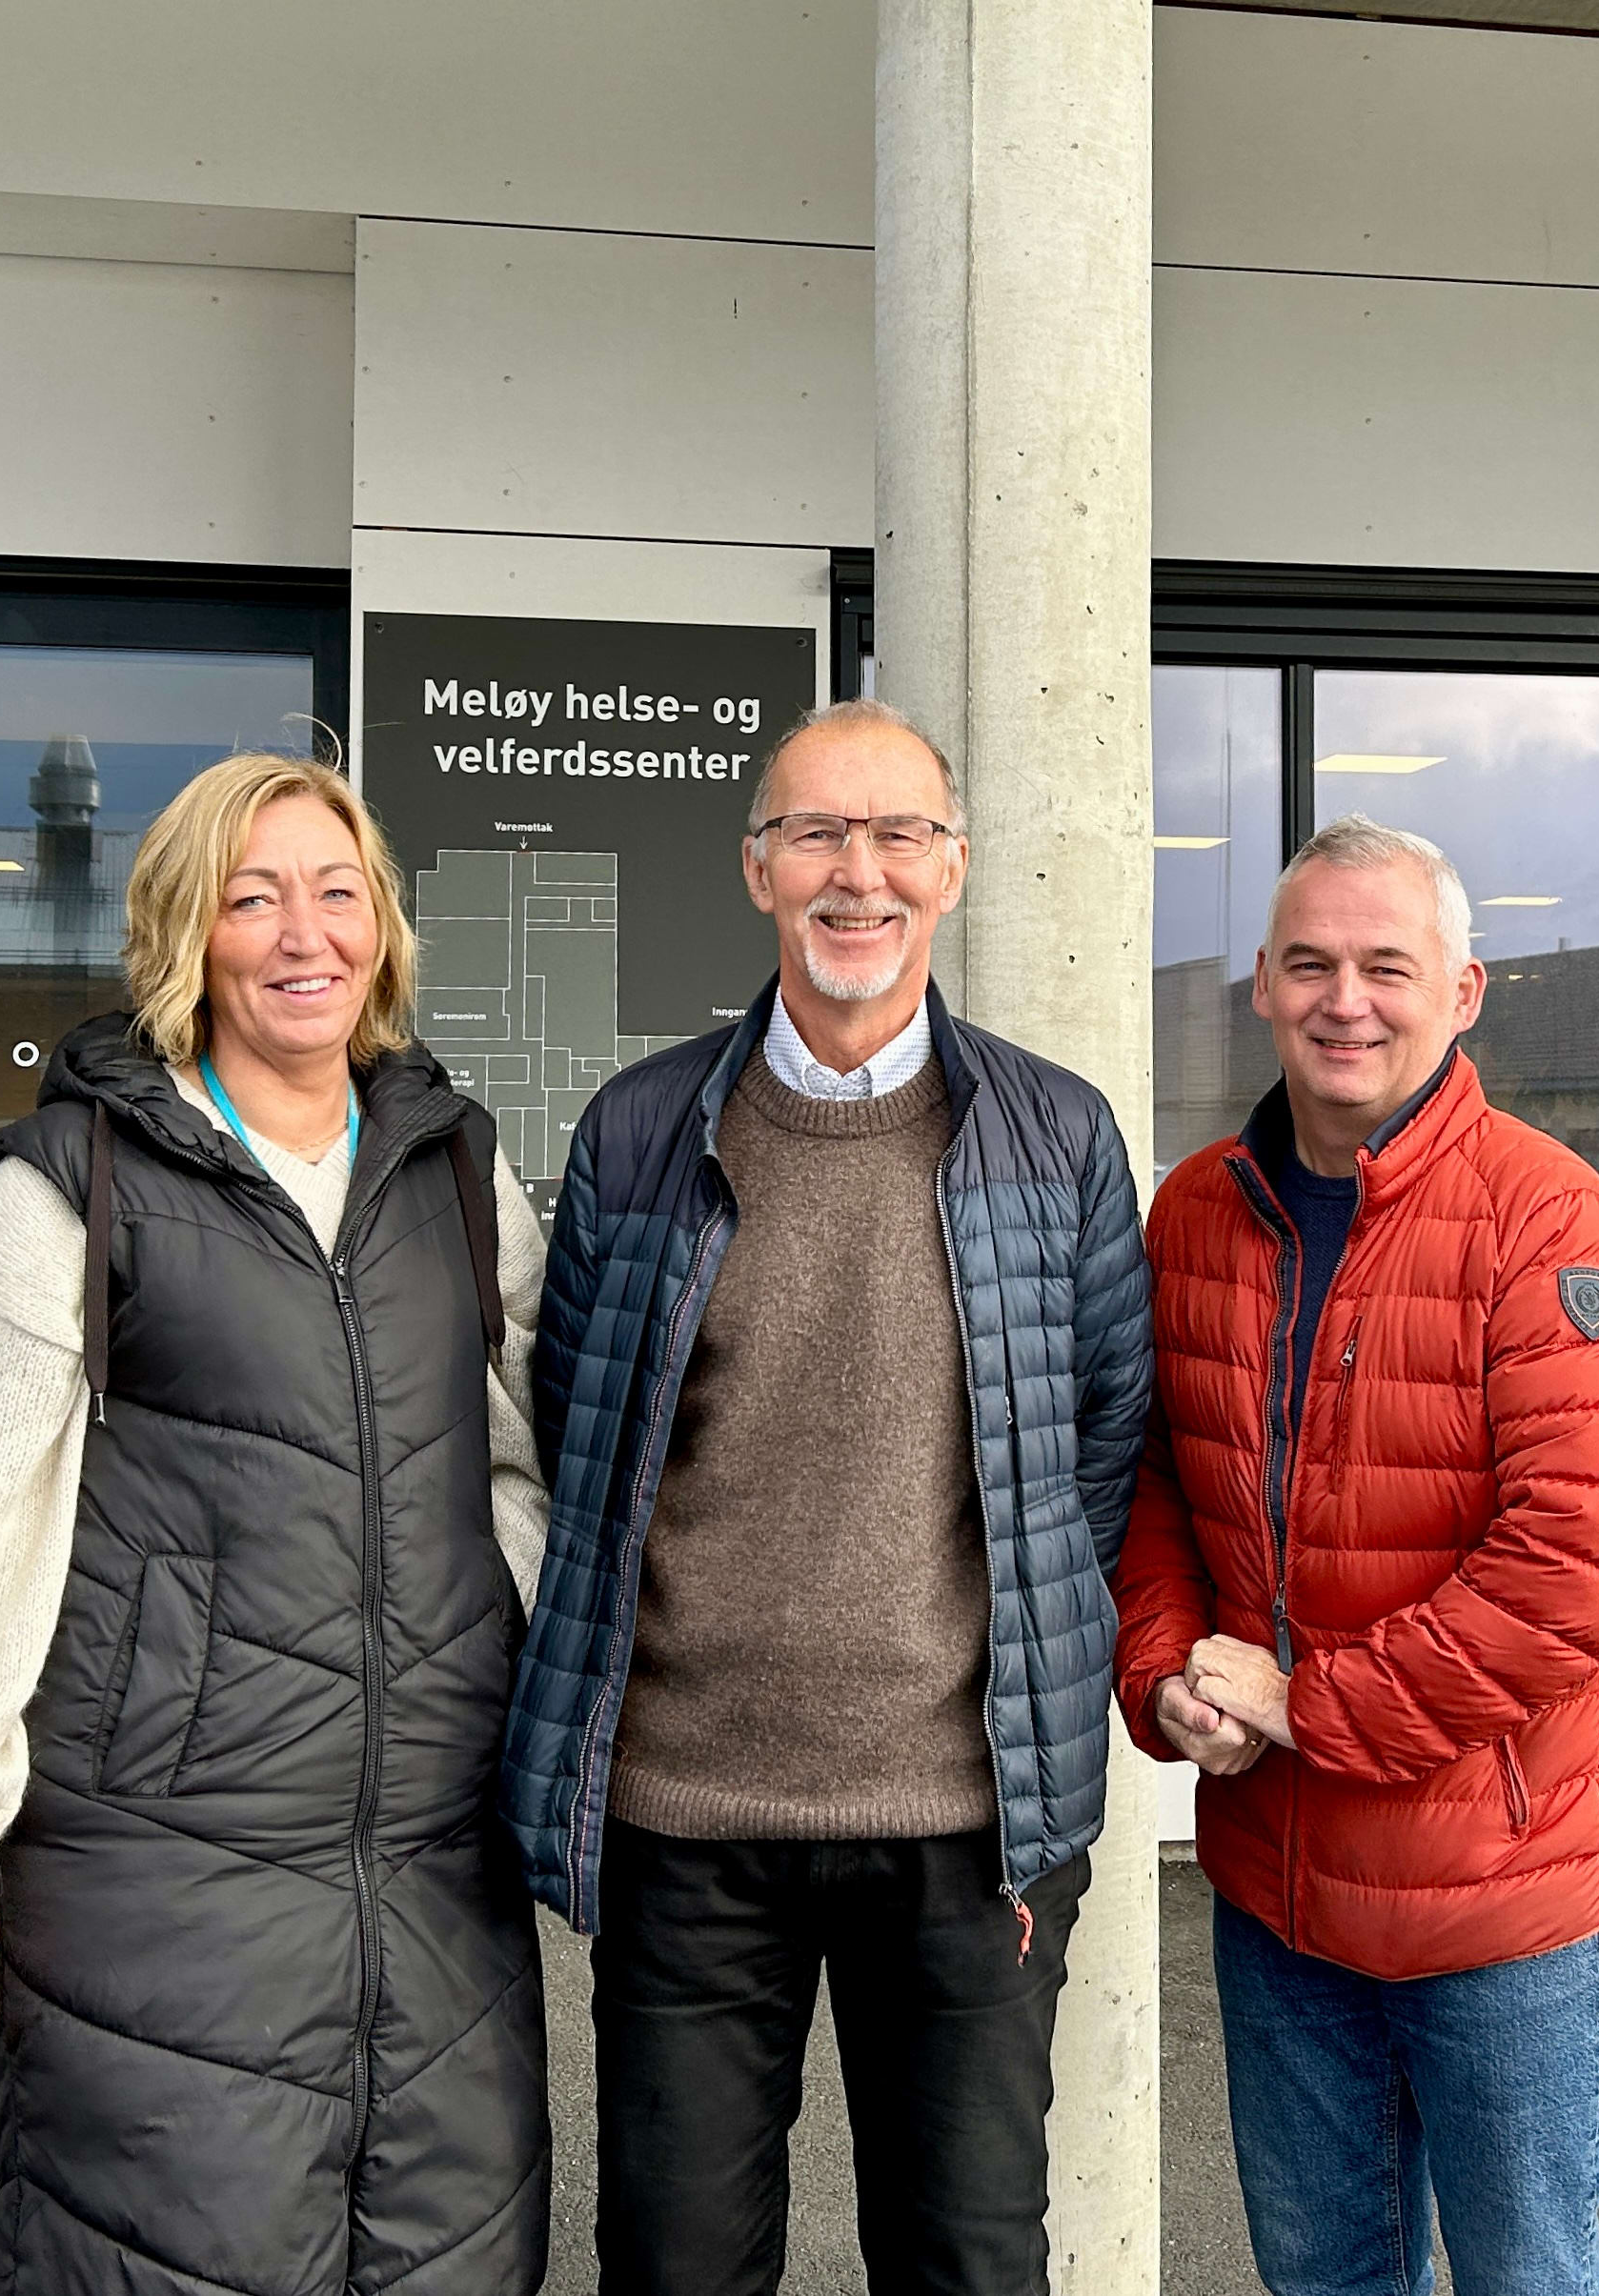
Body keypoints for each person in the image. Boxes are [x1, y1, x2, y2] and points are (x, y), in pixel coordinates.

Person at [0, 752, 553, 2296]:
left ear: (381, 929)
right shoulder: (71, 1184)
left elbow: (520, 1456)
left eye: (337, 893)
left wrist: (492, 1621)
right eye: (252, 896)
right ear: (184, 932)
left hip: (434, 1868)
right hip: (155, 1872)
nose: (304, 933)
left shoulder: (455, 1168)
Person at [502, 695, 1152, 2296]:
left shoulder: (1055, 1135)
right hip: (685, 1823)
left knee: (967, 2264)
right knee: (674, 2265)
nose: (858, 872)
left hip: (966, 1825)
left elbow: (1097, 1443)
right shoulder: (639, 1130)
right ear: (757, 869)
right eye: (816, 833)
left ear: (953, 867)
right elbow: (581, 1427)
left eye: (897, 833)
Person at [1113, 815, 1599, 2296]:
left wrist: (1308, 1704)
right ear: (1259, 982)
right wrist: (1165, 1671)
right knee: (1324, 2280)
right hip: (1282, 1894)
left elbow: (1572, 1569)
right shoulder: (1194, 1214)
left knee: (1524, 2277)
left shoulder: (1546, 1215)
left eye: (1385, 965)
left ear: (1462, 990)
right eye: (1308, 963)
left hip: (1501, 1894)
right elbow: (1155, 1484)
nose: (1342, 1000)